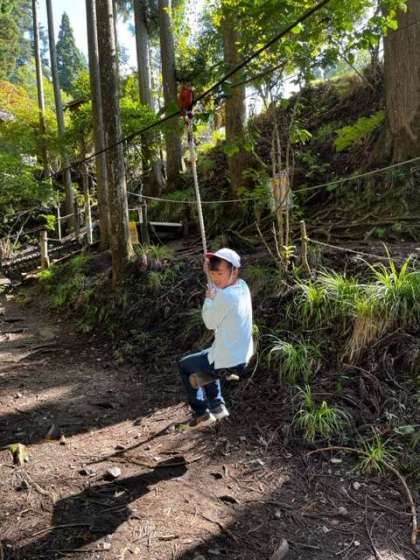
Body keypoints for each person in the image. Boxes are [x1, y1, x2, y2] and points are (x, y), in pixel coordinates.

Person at [176, 248, 253, 430]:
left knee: (184, 365)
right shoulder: (242, 286)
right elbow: (221, 287)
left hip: (229, 360)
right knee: (208, 355)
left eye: (220, 273)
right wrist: (208, 273)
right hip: (243, 355)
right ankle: (217, 406)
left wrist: (209, 299)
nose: (216, 278)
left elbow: (209, 323)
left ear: (234, 271)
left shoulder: (226, 296)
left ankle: (201, 412)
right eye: (213, 273)